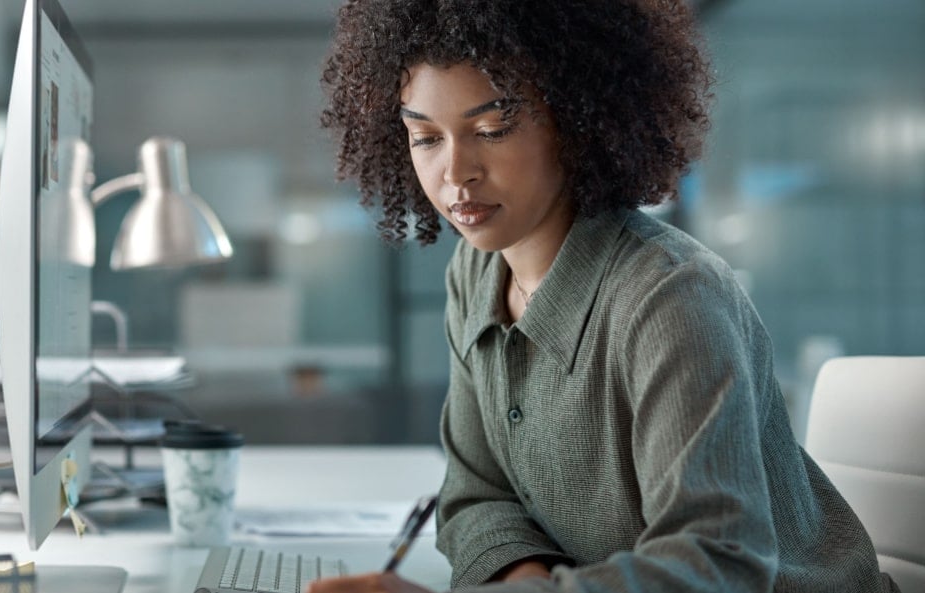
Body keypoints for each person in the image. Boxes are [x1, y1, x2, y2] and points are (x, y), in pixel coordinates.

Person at [311, 0, 899, 592]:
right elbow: (477, 495)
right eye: (425, 137)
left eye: (491, 130)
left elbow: (719, 564)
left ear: (576, 121)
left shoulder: (672, 298)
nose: (455, 171)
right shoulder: (475, 272)